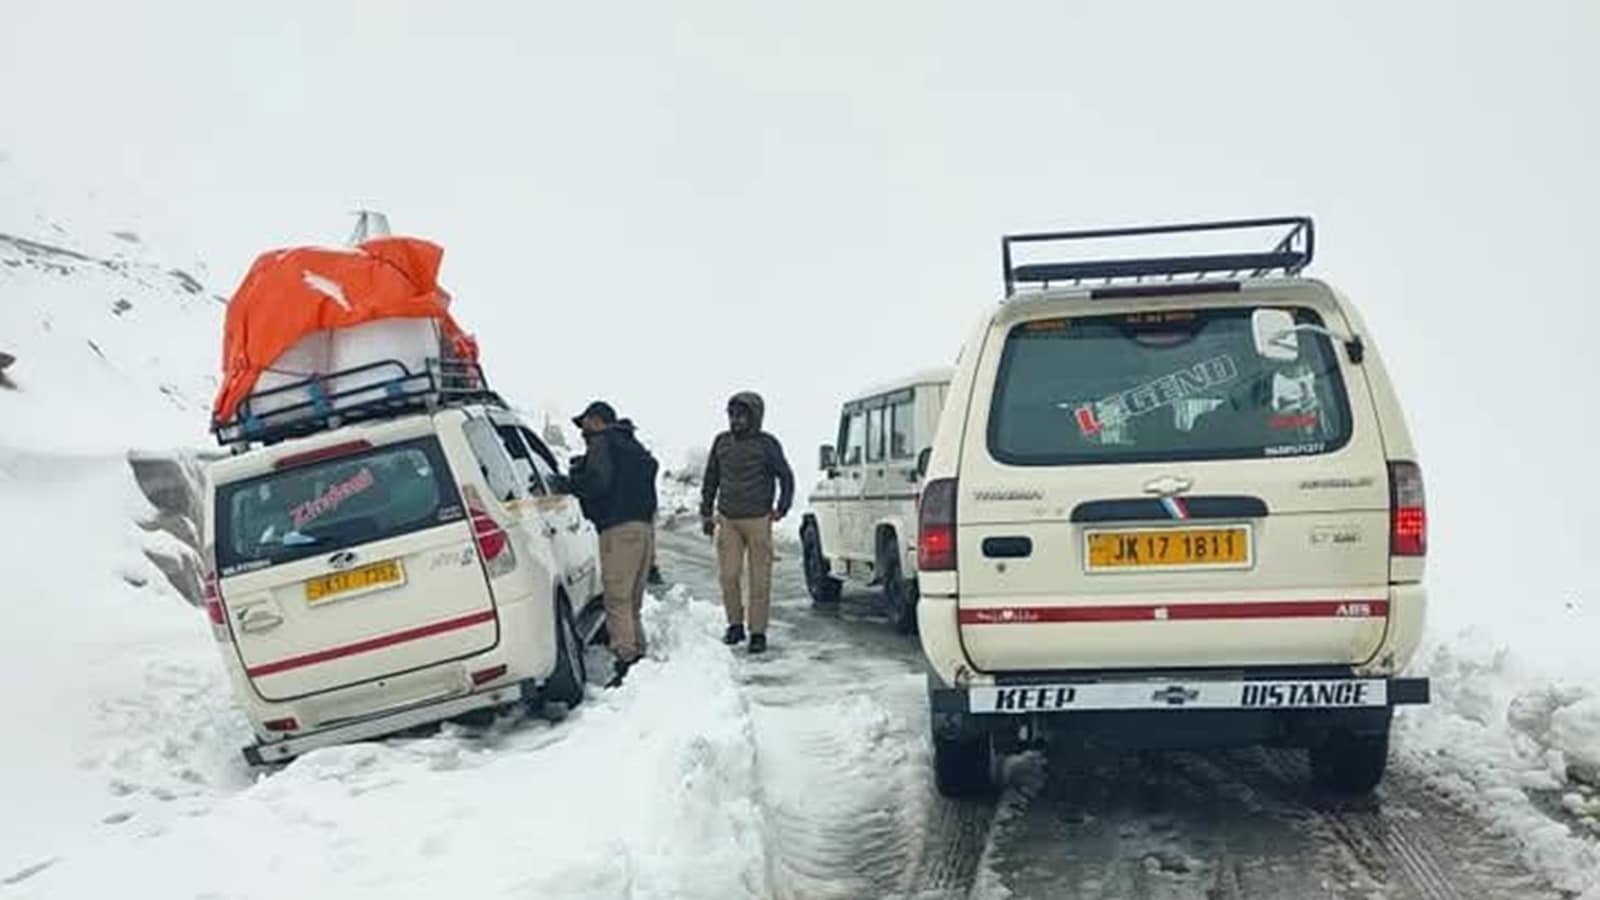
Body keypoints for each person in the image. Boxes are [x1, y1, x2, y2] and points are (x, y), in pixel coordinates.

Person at [570, 400, 659, 687]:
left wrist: (571, 482)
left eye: (585, 425)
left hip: (618, 530)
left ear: (597, 421)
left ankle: (626, 661)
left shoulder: (602, 443)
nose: (583, 433)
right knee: (632, 600)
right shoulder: (633, 446)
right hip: (644, 529)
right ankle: (639, 655)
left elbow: (599, 483)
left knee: (617, 599)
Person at [700, 391, 794, 654]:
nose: (736, 420)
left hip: (758, 519)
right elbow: (711, 479)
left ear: (754, 416)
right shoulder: (721, 442)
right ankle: (735, 624)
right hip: (728, 519)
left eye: (741, 415)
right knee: (728, 576)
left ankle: (757, 632)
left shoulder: (767, 445)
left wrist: (782, 508)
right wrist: (706, 513)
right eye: (732, 415)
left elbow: (785, 476)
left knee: (759, 580)